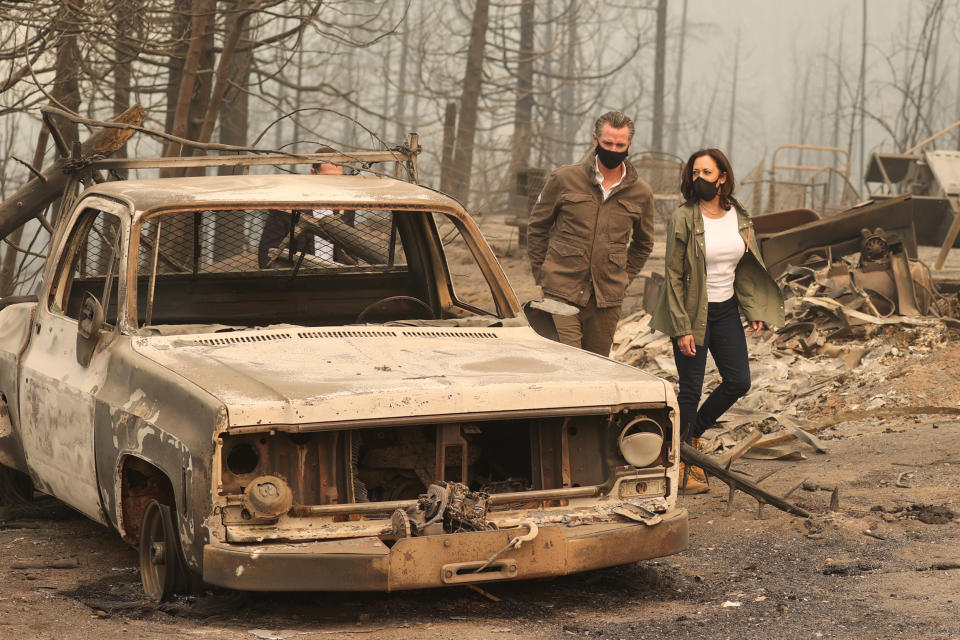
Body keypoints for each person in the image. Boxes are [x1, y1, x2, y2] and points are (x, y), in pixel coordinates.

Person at [650, 148, 784, 494]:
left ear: (722, 177)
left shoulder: (739, 215)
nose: (699, 179)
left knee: (739, 381)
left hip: (725, 310)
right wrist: (681, 328)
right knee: (691, 389)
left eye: (706, 173)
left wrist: (752, 308)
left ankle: (690, 437)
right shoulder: (684, 217)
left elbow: (746, 266)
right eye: (694, 173)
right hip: (693, 312)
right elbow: (674, 275)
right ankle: (681, 463)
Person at [527, 111, 655, 356]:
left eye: (620, 145)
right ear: (595, 140)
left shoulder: (641, 193)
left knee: (595, 368)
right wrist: (542, 276)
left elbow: (644, 244)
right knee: (568, 363)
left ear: (630, 145)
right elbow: (538, 227)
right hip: (560, 292)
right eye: (608, 143)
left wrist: (623, 277)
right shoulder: (564, 178)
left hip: (607, 300)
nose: (614, 150)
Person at [258, 145, 345, 268]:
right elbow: (267, 251)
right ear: (313, 173)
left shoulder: (346, 206)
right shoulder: (288, 205)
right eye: (328, 177)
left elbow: (350, 249)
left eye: (338, 178)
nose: (334, 182)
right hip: (297, 278)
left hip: (337, 278)